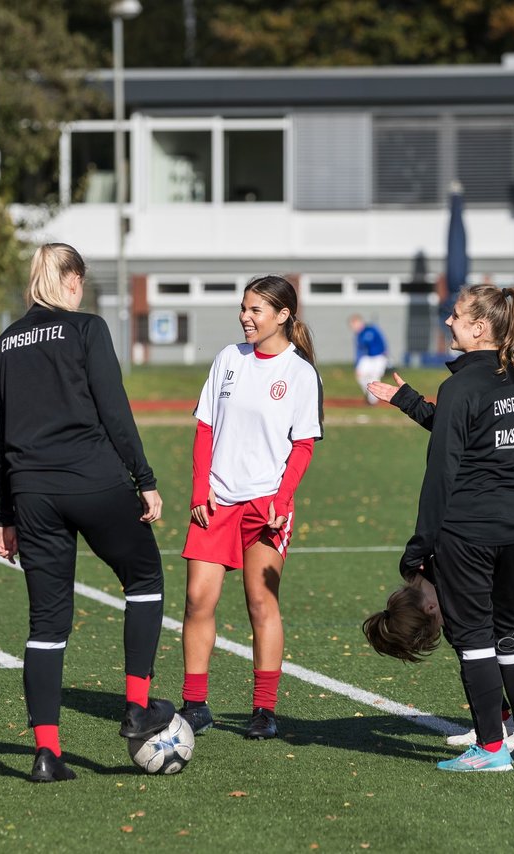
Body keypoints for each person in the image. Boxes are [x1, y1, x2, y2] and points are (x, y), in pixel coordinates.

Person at [0, 243, 174, 783]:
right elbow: (114, 408)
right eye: (80, 283)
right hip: (93, 480)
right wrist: (145, 479)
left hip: (32, 495)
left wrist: (3, 516)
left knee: (46, 623)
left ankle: (47, 754)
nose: (81, 292)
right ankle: (137, 709)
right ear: (69, 280)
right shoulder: (86, 329)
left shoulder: (3, 345)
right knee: (144, 578)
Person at [367, 283, 514, 772]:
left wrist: (419, 547)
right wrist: (407, 400)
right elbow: (472, 434)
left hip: (469, 532)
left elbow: (443, 471)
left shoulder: (461, 386)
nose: (448, 322)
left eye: (456, 315)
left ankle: (491, 747)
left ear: (479, 326)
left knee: (473, 639)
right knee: (510, 633)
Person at [180, 275, 322, 741]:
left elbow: (302, 446)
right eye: (243, 308)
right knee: (199, 598)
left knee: (261, 604)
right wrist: (201, 489)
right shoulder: (228, 359)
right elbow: (205, 426)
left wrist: (281, 501)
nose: (245, 317)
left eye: (256, 310)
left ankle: (264, 709)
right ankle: (195, 704)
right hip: (216, 501)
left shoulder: (300, 373)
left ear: (283, 316)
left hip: (266, 505)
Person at [363, 499, 514, 750]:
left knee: (512, 629)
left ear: (429, 608)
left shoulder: (449, 566)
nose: (442, 627)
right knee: (466, 632)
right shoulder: (419, 574)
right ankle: (502, 722)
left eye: (435, 623)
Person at [348, 314, 388, 405]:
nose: (352, 327)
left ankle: (372, 400)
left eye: (353, 325)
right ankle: (370, 395)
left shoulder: (371, 330)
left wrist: (386, 354)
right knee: (360, 376)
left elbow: (382, 342)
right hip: (367, 358)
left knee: (374, 377)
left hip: (379, 357)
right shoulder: (358, 335)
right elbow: (359, 351)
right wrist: (357, 363)